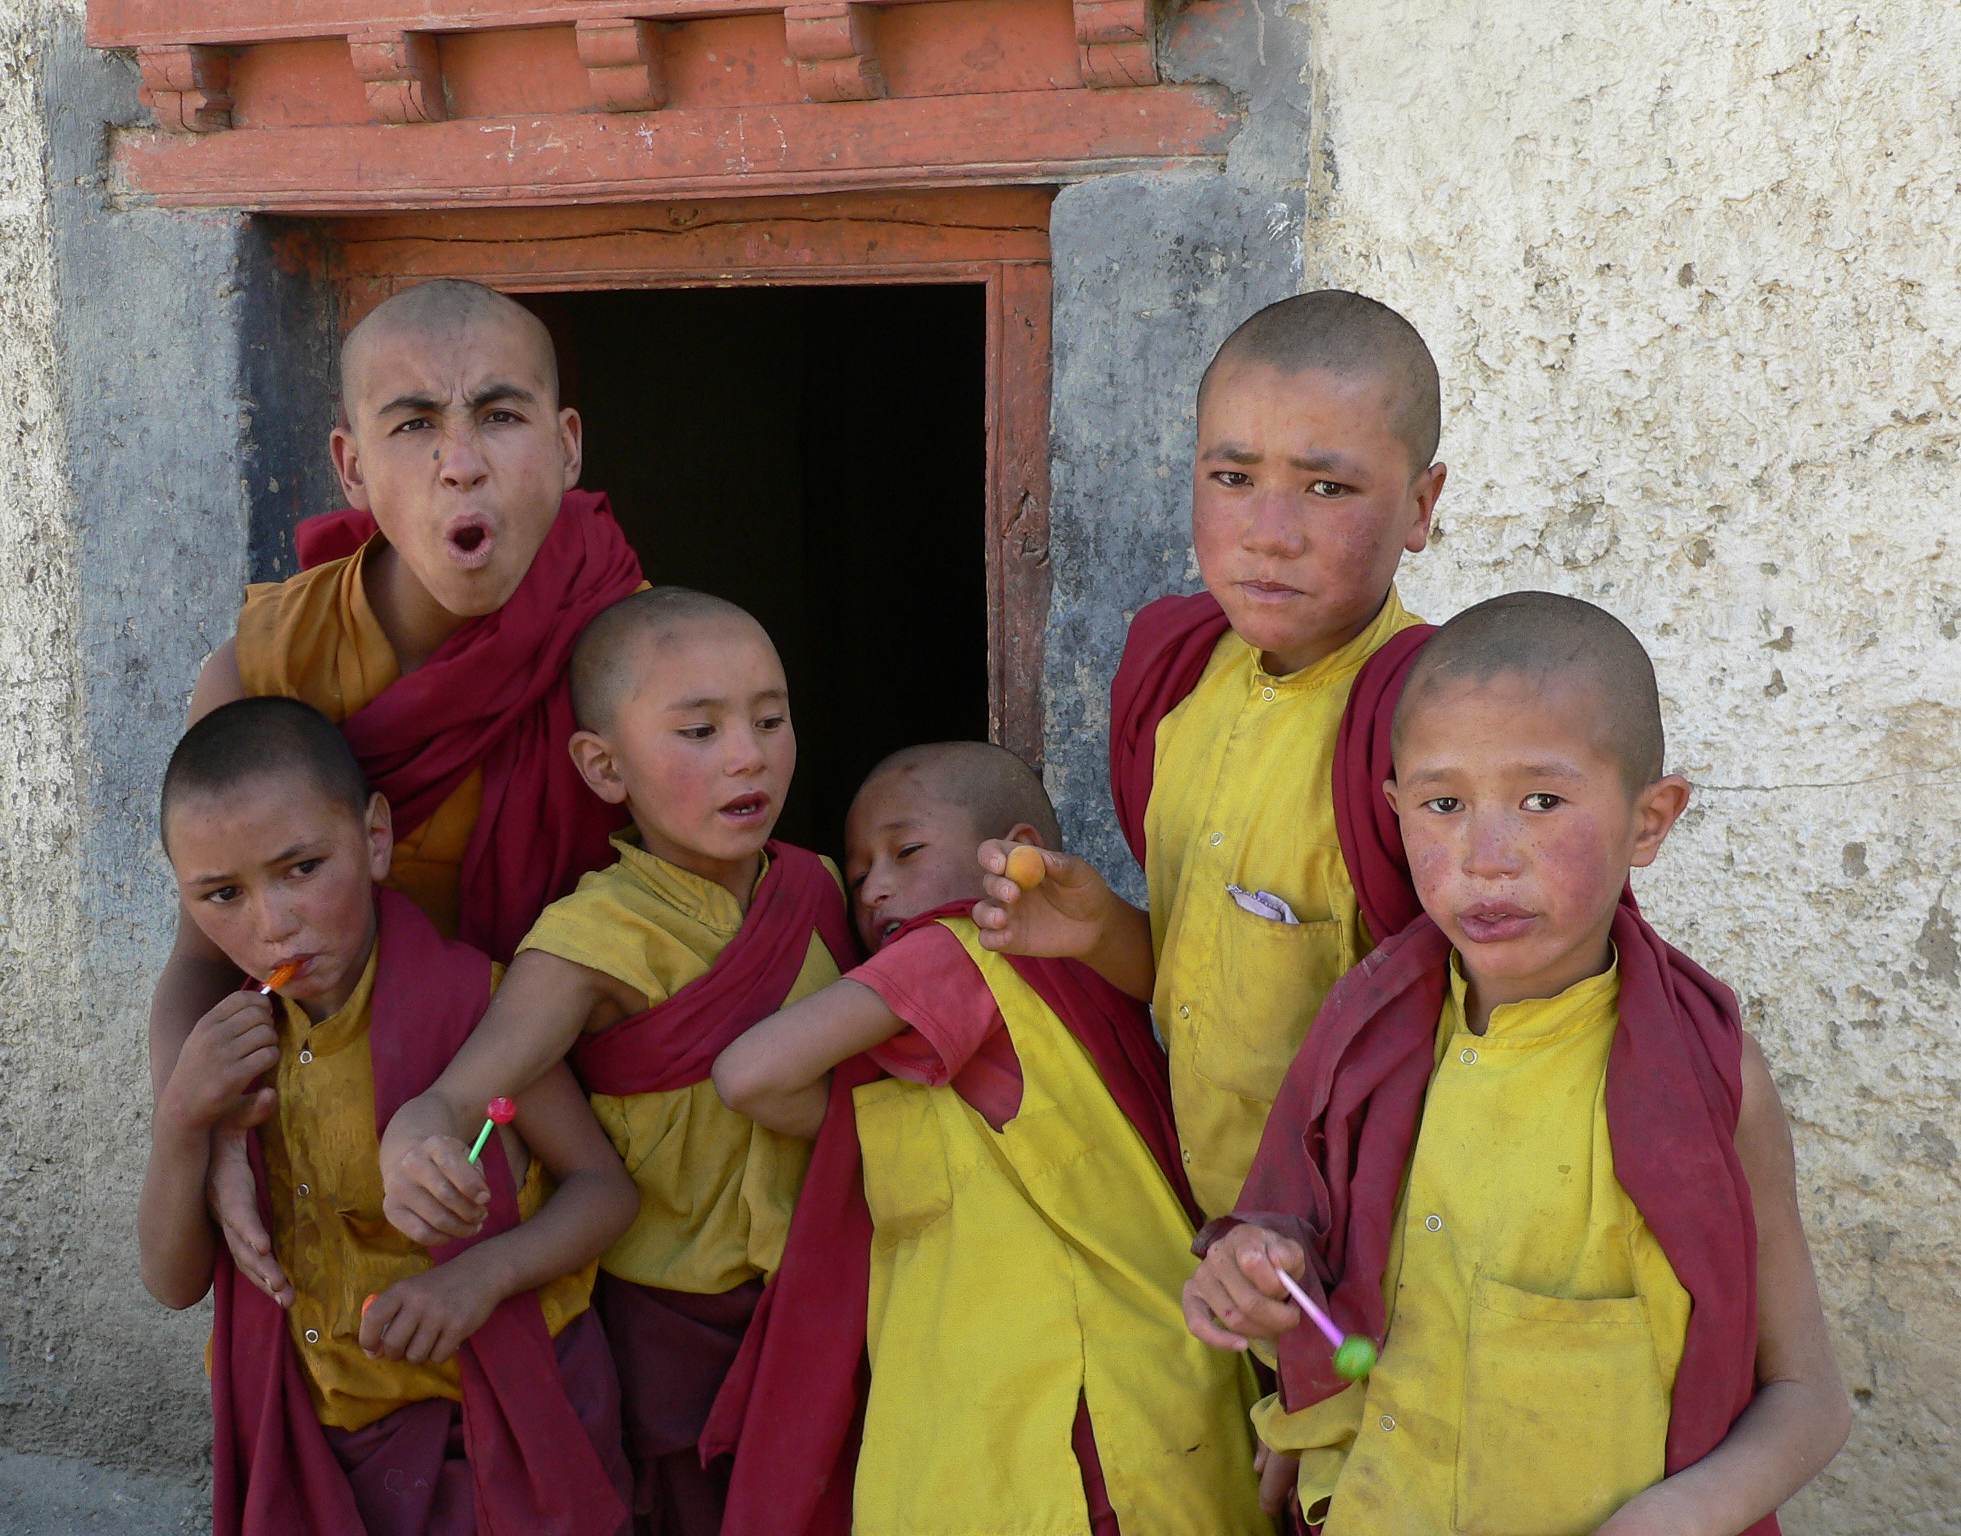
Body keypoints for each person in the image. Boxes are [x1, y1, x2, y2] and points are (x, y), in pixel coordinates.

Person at [1182, 593, 1850, 1535]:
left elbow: (1810, 1397)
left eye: (1541, 801)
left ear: (1649, 820)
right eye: (1443, 804)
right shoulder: (1364, 1047)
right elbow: (1294, 1265)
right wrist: (1249, 1279)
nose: (1485, 858)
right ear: (1395, 809)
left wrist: (1685, 1516)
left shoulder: (1706, 1081)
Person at [152, 278, 646, 1309]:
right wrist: (201, 1137)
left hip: (574, 1171)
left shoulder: (637, 660)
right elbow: (204, 962)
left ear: (566, 446)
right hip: (331, 1180)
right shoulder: (268, 671)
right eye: (413, 424)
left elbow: (685, 935)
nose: (459, 463)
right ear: (351, 466)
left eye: (498, 417)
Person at [375, 588, 857, 1536]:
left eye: (770, 718)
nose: (748, 754)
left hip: (829, 1299)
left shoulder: (819, 886)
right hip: (672, 1327)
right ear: (603, 767)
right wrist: (411, 1147)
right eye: (698, 730)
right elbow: (459, 1093)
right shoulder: (593, 938)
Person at [706, 742, 1269, 1536]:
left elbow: (750, 1075)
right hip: (1143, 1398)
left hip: (1068, 1427)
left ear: (1020, 859)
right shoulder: (1058, 991)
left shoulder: (961, 949)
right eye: (858, 871)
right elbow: (849, 1122)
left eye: (906, 851)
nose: (876, 888)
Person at [973, 290, 1448, 1225]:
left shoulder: (1435, 726)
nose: (1269, 531)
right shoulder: (1173, 674)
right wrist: (1102, 928)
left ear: (1420, 506)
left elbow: (1488, 1030)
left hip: (1359, 1237)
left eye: (1328, 488)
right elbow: (1211, 984)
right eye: (1233, 477)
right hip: (1203, 1220)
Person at [140, 696, 639, 1536]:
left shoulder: (475, 1012)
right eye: (222, 895)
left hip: (495, 1437)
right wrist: (182, 1121)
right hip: (323, 1445)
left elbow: (605, 1192)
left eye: (302, 868)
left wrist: (480, 1276)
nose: (272, 923)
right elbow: (173, 1281)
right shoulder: (229, 1051)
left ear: (375, 839)